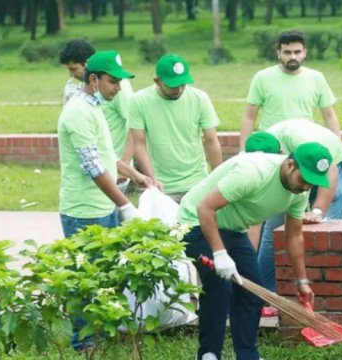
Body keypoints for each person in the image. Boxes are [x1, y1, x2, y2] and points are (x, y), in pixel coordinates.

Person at [178, 142, 332, 360]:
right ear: (289, 164)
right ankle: (208, 354)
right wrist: (220, 253)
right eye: (304, 179)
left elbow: (294, 236)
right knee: (220, 287)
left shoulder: (298, 191)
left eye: (312, 183)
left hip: (232, 228)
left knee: (253, 292)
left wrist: (302, 282)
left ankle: (247, 355)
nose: (307, 187)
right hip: (194, 222)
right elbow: (205, 207)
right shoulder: (253, 172)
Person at [57, 50, 152, 350]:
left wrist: (133, 174)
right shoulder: (77, 112)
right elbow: (93, 166)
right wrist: (125, 204)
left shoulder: (95, 107)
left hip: (103, 206)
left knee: (106, 274)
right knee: (86, 278)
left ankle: (102, 335)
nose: (118, 88)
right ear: (94, 79)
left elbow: (106, 156)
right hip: (84, 211)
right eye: (113, 82)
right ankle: (83, 344)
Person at [251, 119, 342, 295]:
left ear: (281, 154)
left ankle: (327, 294)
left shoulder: (305, 144)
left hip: (331, 166)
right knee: (274, 233)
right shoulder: (258, 148)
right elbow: (253, 219)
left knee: (329, 232)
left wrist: (317, 211)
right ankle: (264, 293)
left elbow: (330, 170)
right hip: (293, 171)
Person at [129, 54, 222, 203]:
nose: (179, 90)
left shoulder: (200, 98)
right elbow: (139, 144)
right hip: (162, 185)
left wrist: (218, 179)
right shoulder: (139, 101)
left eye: (183, 84)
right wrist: (152, 180)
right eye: (173, 85)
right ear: (157, 81)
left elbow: (211, 141)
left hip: (197, 182)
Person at [239, 30, 341, 150]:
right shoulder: (262, 78)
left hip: (304, 146)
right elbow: (249, 117)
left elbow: (329, 117)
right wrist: (243, 151)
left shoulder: (316, 78)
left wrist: (340, 150)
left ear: (304, 53)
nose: (293, 56)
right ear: (279, 54)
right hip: (271, 147)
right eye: (287, 52)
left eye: (297, 52)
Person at [59, 40, 135, 176]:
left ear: (87, 65)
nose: (71, 75)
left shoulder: (117, 90)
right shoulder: (82, 96)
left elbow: (135, 127)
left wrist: (125, 167)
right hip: (97, 170)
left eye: (73, 69)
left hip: (115, 169)